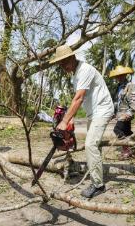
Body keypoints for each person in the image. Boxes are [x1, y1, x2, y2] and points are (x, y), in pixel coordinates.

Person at [49, 45, 114, 198]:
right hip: (93, 112)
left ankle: (98, 185)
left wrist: (65, 121)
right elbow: (77, 100)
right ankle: (99, 171)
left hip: (103, 110)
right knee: (94, 144)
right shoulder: (75, 75)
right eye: (60, 64)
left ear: (72, 58)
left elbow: (78, 98)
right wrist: (69, 118)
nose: (63, 66)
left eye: (65, 62)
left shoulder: (84, 70)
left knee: (90, 145)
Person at [109, 65, 135, 159]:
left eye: (121, 75)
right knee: (127, 132)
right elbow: (117, 102)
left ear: (125, 75)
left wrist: (129, 113)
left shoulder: (130, 86)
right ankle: (133, 149)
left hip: (126, 114)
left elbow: (134, 101)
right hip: (120, 114)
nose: (119, 77)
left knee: (117, 130)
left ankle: (127, 151)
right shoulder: (118, 87)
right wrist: (113, 113)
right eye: (117, 76)